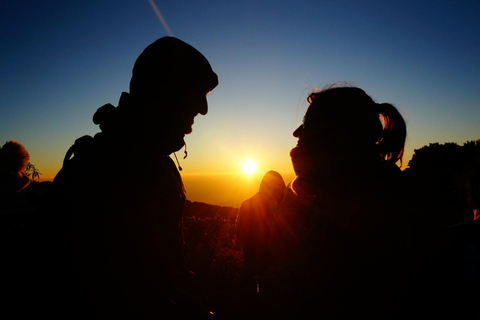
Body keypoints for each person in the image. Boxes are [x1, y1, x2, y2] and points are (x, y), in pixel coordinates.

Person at [3, 37, 218, 319]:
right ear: (164, 92)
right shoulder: (105, 170)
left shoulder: (150, 162)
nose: (203, 109)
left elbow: (164, 267)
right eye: (197, 93)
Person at [268, 84, 473, 318]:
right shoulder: (369, 203)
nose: (297, 133)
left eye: (308, 125)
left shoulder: (367, 224)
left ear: (340, 137)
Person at [236, 171, 286, 292]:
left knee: (251, 291)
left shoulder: (246, 204)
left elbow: (239, 236)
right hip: (272, 262)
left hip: (252, 260)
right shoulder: (283, 208)